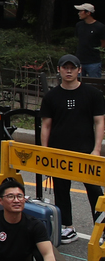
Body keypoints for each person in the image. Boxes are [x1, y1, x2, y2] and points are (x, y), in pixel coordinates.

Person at [39, 54, 105, 242]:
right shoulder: (52, 96)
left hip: (85, 150)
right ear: (59, 70)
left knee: (94, 190)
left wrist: (97, 149)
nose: (69, 71)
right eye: (65, 67)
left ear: (79, 70)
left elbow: (100, 121)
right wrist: (45, 151)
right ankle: (67, 226)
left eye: (72, 67)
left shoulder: (92, 94)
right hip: (59, 151)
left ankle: (102, 228)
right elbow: (46, 125)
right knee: (61, 189)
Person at [76, 3, 105, 79]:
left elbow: (103, 42)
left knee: (95, 84)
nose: (79, 13)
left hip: (93, 61)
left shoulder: (99, 27)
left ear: (88, 13)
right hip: (80, 60)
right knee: (78, 83)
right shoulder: (79, 25)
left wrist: (99, 52)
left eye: (81, 11)